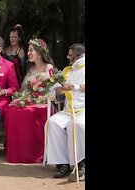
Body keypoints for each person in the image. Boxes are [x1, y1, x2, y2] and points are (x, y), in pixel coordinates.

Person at [5, 38, 57, 163]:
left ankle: (32, 154)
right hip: (29, 99)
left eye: (31, 50)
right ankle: (17, 153)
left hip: (43, 102)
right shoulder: (30, 69)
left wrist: (36, 97)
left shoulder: (48, 67)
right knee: (11, 110)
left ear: (39, 53)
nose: (28, 53)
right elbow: (23, 88)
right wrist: (19, 98)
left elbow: (51, 89)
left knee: (27, 112)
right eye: (28, 50)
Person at [46, 43, 85, 181]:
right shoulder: (67, 70)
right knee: (52, 122)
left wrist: (73, 86)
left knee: (77, 125)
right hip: (68, 110)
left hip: (83, 109)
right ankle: (64, 163)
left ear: (78, 54)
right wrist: (58, 89)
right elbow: (59, 92)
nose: (68, 57)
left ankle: (81, 163)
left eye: (70, 54)